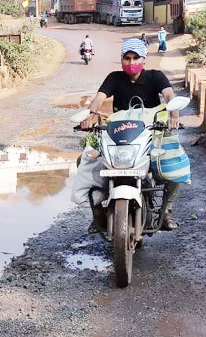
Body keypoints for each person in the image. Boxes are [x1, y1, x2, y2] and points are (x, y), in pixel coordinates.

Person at [81, 38, 183, 229]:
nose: (131, 62)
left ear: (144, 59)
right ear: (121, 60)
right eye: (127, 58)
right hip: (118, 136)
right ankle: (98, 212)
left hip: (150, 133)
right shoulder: (114, 78)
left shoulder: (156, 76)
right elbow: (99, 98)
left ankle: (166, 211)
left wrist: (174, 117)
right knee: (85, 160)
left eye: (136, 58)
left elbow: (169, 95)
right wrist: (90, 117)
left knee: (175, 161)